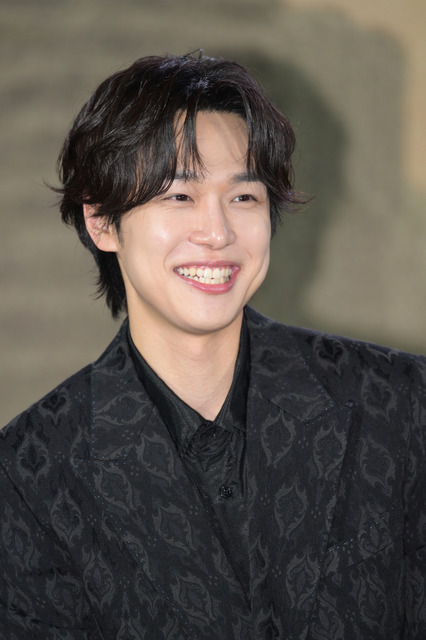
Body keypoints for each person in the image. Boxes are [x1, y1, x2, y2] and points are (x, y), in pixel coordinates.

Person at [0, 53, 425, 640]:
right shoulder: (27, 479)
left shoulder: (402, 405)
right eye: (179, 196)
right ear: (101, 221)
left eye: (243, 198)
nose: (218, 233)